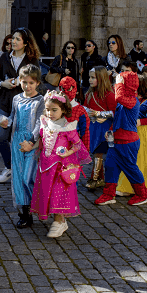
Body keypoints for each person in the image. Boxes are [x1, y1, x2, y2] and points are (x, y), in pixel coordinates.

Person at [31, 89, 89, 237]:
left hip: (59, 167)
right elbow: (42, 141)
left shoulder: (67, 128)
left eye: (54, 110)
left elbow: (77, 145)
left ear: (63, 110)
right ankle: (57, 220)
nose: (50, 113)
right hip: (45, 165)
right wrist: (32, 146)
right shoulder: (45, 123)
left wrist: (67, 153)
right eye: (48, 109)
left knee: (58, 193)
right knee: (47, 192)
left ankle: (59, 221)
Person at [93, 70, 147, 207]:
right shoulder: (126, 100)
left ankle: (142, 194)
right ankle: (109, 194)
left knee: (131, 169)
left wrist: (119, 83)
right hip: (117, 141)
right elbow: (118, 117)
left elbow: (118, 97)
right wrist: (111, 131)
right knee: (111, 166)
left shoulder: (132, 100)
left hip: (128, 142)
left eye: (119, 82)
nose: (115, 84)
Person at [0, 64, 44, 227]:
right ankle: (24, 213)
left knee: (28, 177)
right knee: (17, 179)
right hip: (16, 142)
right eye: (24, 82)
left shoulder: (40, 100)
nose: (27, 86)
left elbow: (39, 123)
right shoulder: (16, 98)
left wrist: (31, 142)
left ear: (37, 83)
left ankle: (35, 207)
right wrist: (6, 123)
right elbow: (12, 117)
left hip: (31, 144)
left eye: (31, 82)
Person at [0, 28, 41, 184]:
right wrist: (3, 83)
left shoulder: (31, 60)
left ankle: (23, 169)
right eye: (13, 38)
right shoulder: (4, 58)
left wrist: (19, 83)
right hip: (5, 102)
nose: (13, 41)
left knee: (20, 138)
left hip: (24, 104)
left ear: (26, 43)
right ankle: (9, 167)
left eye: (17, 39)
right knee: (0, 136)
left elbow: (34, 81)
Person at [83, 65, 115, 189]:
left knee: (103, 154)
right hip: (94, 127)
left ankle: (96, 178)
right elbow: (85, 107)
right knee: (97, 153)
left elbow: (114, 112)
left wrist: (98, 114)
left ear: (101, 78)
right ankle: (99, 178)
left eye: (93, 78)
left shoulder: (109, 95)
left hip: (107, 128)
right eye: (89, 77)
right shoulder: (89, 94)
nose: (90, 80)